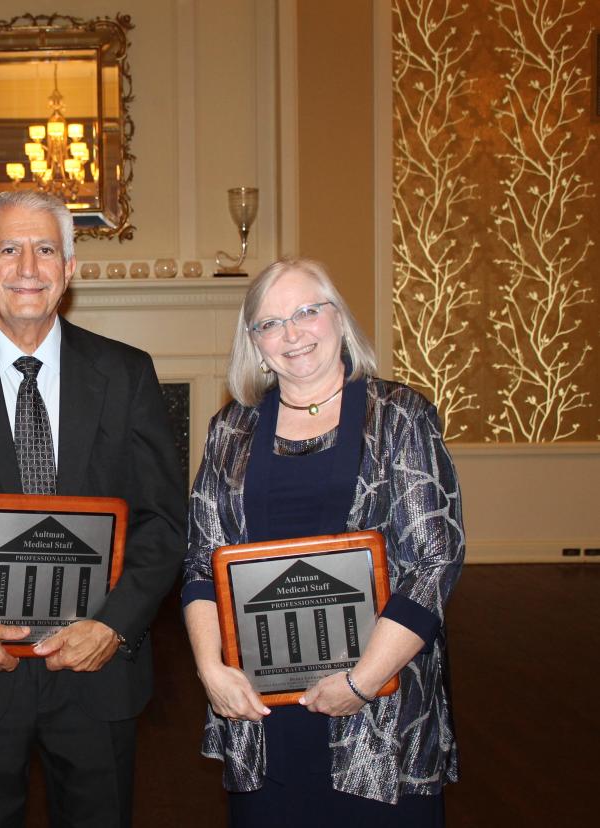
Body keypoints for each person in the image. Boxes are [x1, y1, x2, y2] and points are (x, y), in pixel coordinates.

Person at [0, 190, 188, 827]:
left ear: (71, 267)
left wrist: (115, 624)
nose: (28, 266)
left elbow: (164, 520)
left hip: (97, 666)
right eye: (9, 249)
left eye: (46, 249)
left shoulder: (128, 374)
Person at [181, 257, 463, 825]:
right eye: (270, 323)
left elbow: (435, 560)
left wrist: (361, 683)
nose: (292, 333)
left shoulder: (399, 415)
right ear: (255, 344)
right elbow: (200, 563)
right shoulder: (231, 429)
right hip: (259, 711)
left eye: (308, 311)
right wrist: (210, 669)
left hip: (381, 708)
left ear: (339, 320)